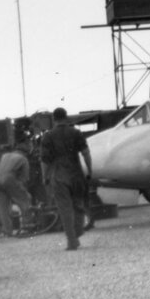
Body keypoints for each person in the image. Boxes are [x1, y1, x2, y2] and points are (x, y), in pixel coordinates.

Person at [40, 107, 92, 251]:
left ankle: (72, 240)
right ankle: (77, 232)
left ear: (54, 119)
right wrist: (89, 170)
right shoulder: (76, 133)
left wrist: (45, 177)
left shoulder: (48, 136)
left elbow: (44, 160)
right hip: (76, 174)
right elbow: (86, 153)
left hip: (59, 176)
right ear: (66, 117)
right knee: (78, 206)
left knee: (65, 209)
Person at [0, 142, 33, 237]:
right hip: (9, 179)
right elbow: (24, 178)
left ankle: (7, 231)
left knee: (3, 208)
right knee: (25, 199)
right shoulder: (23, 159)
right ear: (25, 152)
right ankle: (27, 226)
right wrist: (23, 190)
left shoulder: (5, 156)